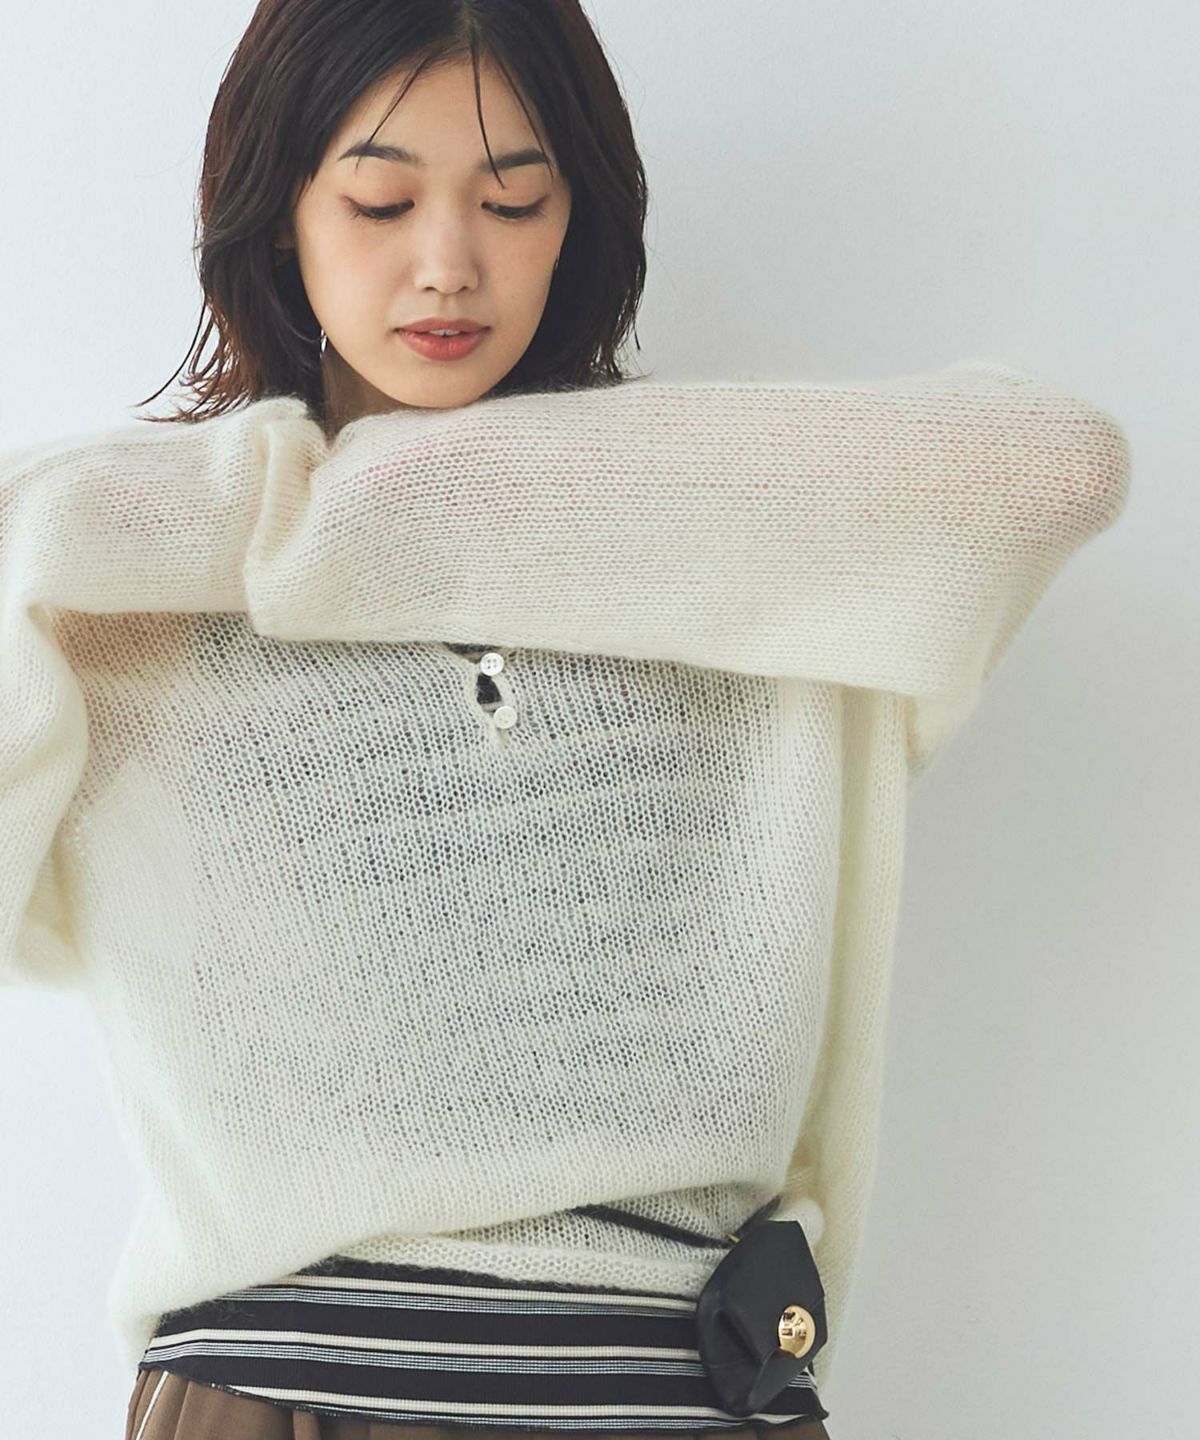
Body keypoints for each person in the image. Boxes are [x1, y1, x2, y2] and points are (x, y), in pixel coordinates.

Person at [2, 3, 1131, 1439]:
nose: (448, 262)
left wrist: (353, 511)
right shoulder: (114, 599)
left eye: (514, 199)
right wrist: (269, 499)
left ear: (577, 218)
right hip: (286, 1395)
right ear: (279, 214)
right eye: (381, 200)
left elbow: (1057, 467)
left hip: (670, 1390)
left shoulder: (739, 562)